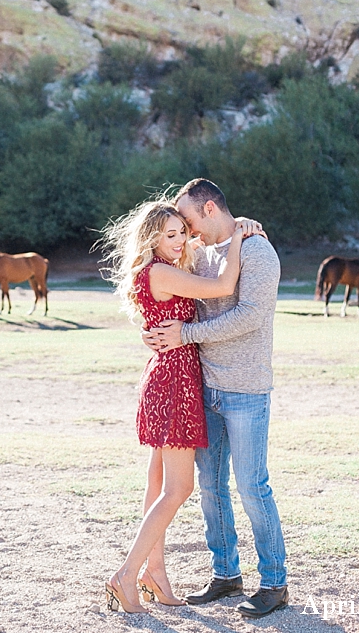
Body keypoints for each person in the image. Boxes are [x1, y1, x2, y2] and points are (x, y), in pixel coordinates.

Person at [143, 178, 288, 619]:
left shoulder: (259, 252)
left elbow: (249, 316)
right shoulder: (200, 255)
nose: (184, 231)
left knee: (252, 486)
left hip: (246, 389)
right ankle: (226, 573)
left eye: (187, 220)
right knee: (210, 487)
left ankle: (274, 582)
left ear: (208, 209)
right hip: (203, 389)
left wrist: (185, 334)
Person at [100, 200, 252, 613]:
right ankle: (126, 575)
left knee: (157, 483)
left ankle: (156, 573)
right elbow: (223, 286)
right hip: (174, 383)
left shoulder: (157, 269)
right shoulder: (163, 271)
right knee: (179, 487)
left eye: (182, 231)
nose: (180, 239)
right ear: (152, 238)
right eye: (170, 234)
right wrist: (238, 236)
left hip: (166, 375)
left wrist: (233, 225)